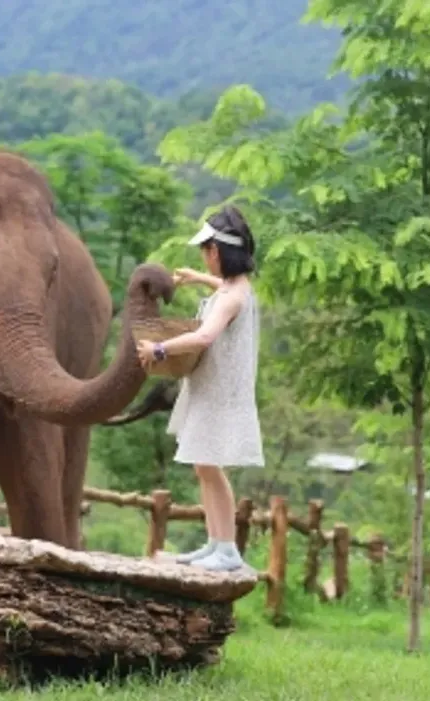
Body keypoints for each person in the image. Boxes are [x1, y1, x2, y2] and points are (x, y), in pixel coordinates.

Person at [136, 205, 264, 572]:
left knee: (210, 467)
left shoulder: (231, 298)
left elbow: (205, 335)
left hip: (219, 394)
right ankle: (216, 542)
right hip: (213, 390)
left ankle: (225, 549)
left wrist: (159, 348)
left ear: (218, 252)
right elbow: (223, 290)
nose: (204, 259)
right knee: (205, 466)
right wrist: (198, 279)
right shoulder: (236, 287)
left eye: (205, 253)